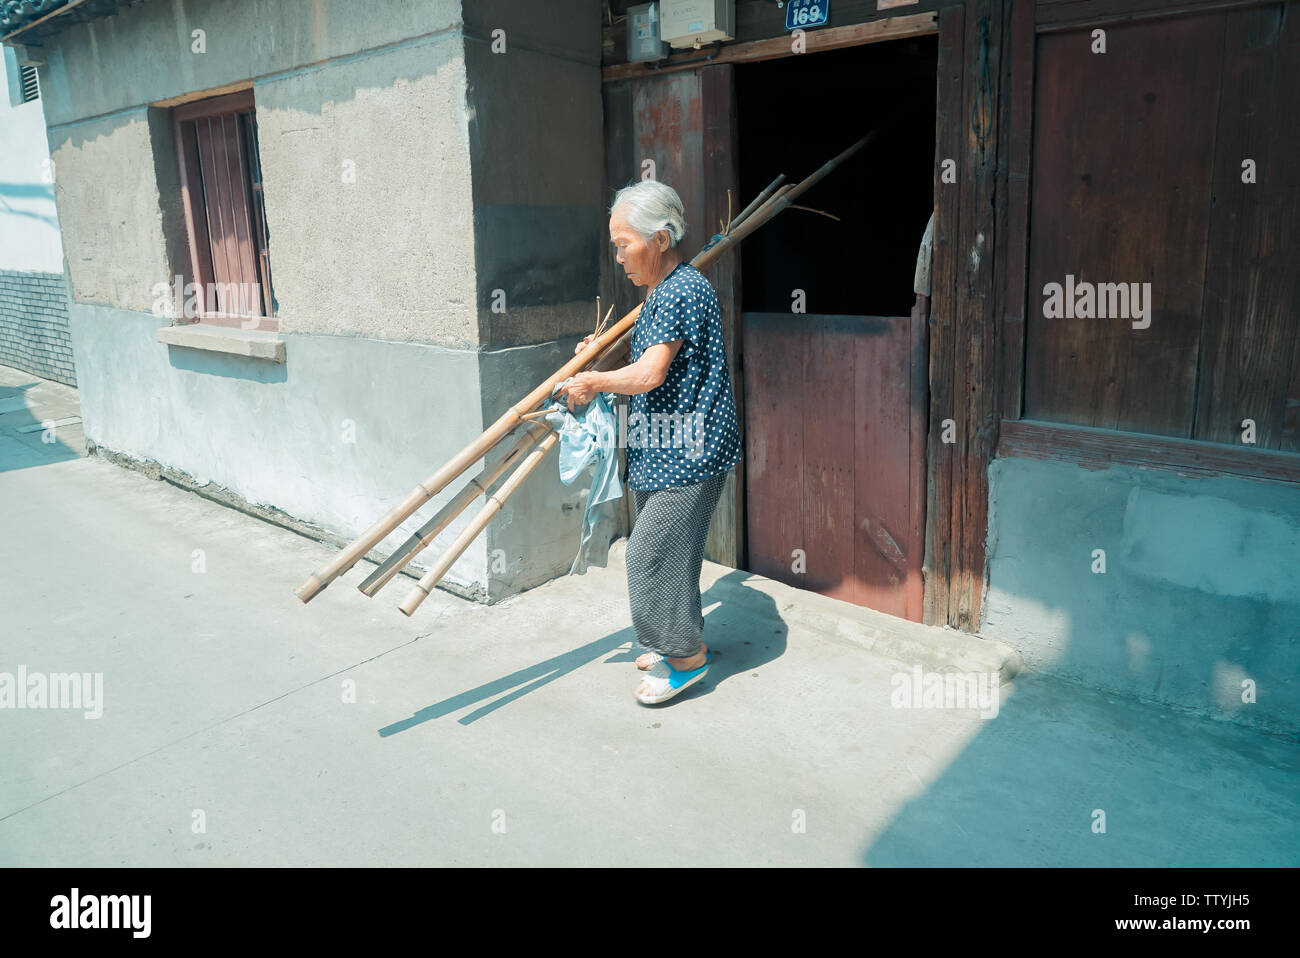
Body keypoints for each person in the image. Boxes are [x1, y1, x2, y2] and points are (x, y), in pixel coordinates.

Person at [558, 181, 741, 705]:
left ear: (660, 239)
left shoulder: (680, 291)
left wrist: (592, 382)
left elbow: (651, 374)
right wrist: (599, 358)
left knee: (648, 556)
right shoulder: (662, 292)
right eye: (615, 245)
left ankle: (686, 660)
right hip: (663, 447)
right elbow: (644, 363)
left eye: (624, 244)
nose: (618, 257)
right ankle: (676, 640)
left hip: (690, 449)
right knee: (672, 554)